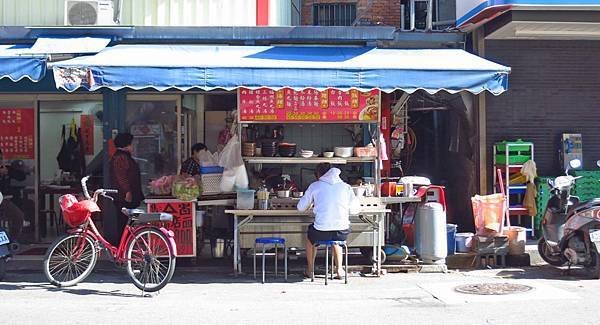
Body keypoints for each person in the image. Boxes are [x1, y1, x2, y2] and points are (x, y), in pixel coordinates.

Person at [297, 163, 359, 279]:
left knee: (311, 238)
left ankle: (310, 270)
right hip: (342, 232)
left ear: (319, 174)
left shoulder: (315, 186)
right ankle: (339, 269)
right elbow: (355, 210)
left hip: (321, 231)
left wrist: (313, 204)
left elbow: (300, 207)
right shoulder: (345, 187)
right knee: (335, 240)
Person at [109, 133, 144, 244]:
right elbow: (121, 176)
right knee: (124, 222)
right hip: (124, 197)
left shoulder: (122, 156)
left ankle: (126, 246)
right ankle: (124, 246)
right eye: (131, 144)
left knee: (126, 222)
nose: (133, 146)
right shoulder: (120, 157)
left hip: (125, 195)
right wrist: (127, 192)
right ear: (126, 145)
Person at [0, 149, 26, 242]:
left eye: (1, 158)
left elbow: (21, 176)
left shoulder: (6, 168)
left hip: (4, 200)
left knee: (18, 216)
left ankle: (12, 240)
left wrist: (8, 172)